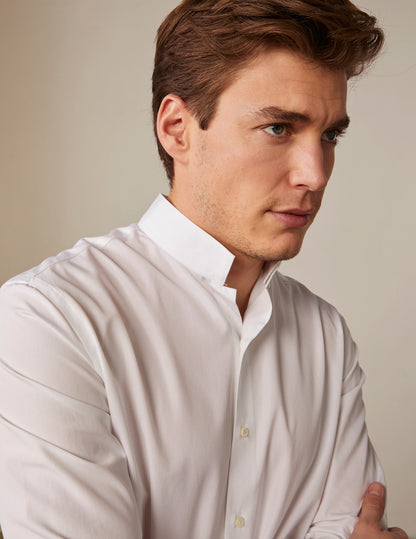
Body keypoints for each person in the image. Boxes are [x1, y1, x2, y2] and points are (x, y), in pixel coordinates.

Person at [0, 0, 408, 537]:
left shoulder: (325, 336)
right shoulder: (50, 319)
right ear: (177, 129)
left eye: (330, 135)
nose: (315, 174)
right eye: (278, 127)